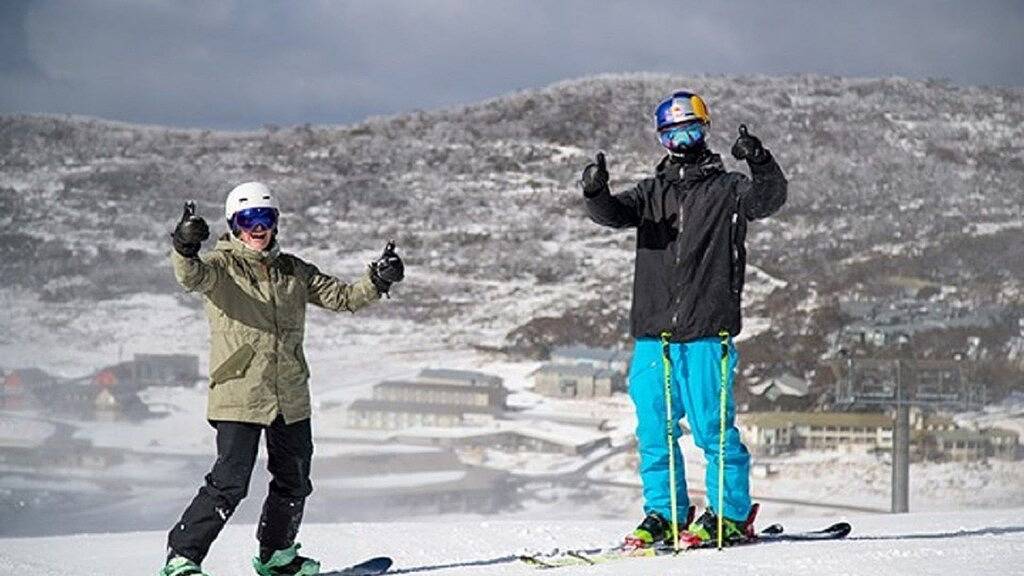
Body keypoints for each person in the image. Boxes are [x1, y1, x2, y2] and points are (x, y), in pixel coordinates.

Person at [159, 181, 405, 576]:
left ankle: (277, 556)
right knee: (229, 482)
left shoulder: (293, 270)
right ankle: (183, 557)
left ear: (275, 223)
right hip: (240, 391)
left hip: (289, 393)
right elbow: (190, 276)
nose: (258, 227)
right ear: (234, 224)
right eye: (248, 219)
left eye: (266, 218)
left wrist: (378, 281)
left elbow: (341, 297)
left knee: (294, 479)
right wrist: (185, 246)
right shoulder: (222, 268)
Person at [580, 91, 787, 549]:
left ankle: (730, 514)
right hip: (655, 335)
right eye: (673, 134)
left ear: (705, 129)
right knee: (654, 430)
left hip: (706, 331)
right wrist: (595, 191)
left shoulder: (728, 190)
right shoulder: (651, 193)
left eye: (691, 130)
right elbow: (612, 215)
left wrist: (761, 161)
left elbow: (769, 198)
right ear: (662, 140)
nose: (683, 141)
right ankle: (665, 513)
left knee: (713, 428)